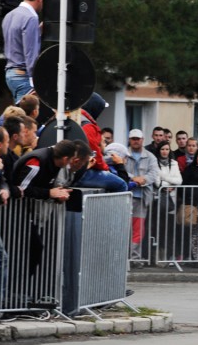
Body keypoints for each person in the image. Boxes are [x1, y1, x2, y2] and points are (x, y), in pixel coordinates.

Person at [76, 93, 127, 192]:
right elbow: (94, 153)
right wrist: (105, 168)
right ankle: (114, 208)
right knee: (121, 184)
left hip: (72, 172)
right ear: (95, 108)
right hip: (82, 173)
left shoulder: (74, 119)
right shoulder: (88, 126)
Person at [2, 0, 43, 104]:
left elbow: (16, 42)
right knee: (27, 120)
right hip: (23, 76)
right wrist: (35, 82)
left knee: (19, 116)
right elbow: (31, 54)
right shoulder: (31, 18)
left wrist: (37, 32)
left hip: (11, 74)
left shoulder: (9, 15)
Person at [12, 139, 89, 201]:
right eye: (71, 159)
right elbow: (23, 188)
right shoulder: (37, 161)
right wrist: (49, 193)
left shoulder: (55, 163)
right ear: (65, 159)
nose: (71, 163)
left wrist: (58, 194)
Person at [124, 129, 160, 262]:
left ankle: (135, 258)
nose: (135, 141)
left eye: (138, 138)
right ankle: (122, 258)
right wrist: (135, 178)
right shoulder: (123, 154)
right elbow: (120, 171)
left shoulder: (150, 157)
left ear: (142, 140)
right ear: (129, 140)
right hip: (125, 197)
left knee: (138, 230)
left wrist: (142, 179)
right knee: (123, 228)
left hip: (141, 198)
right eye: (133, 138)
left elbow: (154, 174)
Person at [153, 141, 182, 264]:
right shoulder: (154, 163)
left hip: (171, 201)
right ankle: (158, 257)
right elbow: (156, 182)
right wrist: (168, 183)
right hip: (159, 200)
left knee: (170, 229)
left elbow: (179, 180)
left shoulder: (174, 163)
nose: (165, 151)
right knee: (158, 228)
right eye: (162, 149)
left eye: (167, 149)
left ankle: (169, 256)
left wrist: (165, 179)